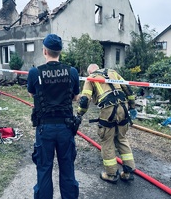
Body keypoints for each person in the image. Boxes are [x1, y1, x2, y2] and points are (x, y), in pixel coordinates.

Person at [27, 34, 80, 199]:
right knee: (67, 168)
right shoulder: (72, 72)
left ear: (44, 51)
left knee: (44, 169)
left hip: (45, 129)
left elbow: (31, 94)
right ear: (60, 52)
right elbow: (75, 97)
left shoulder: (35, 73)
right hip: (66, 128)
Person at [77, 64, 137, 184]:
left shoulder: (91, 78)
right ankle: (128, 172)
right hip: (123, 108)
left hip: (108, 109)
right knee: (122, 139)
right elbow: (128, 89)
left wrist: (79, 114)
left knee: (107, 141)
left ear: (90, 72)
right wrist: (132, 106)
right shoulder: (113, 72)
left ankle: (111, 174)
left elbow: (84, 100)